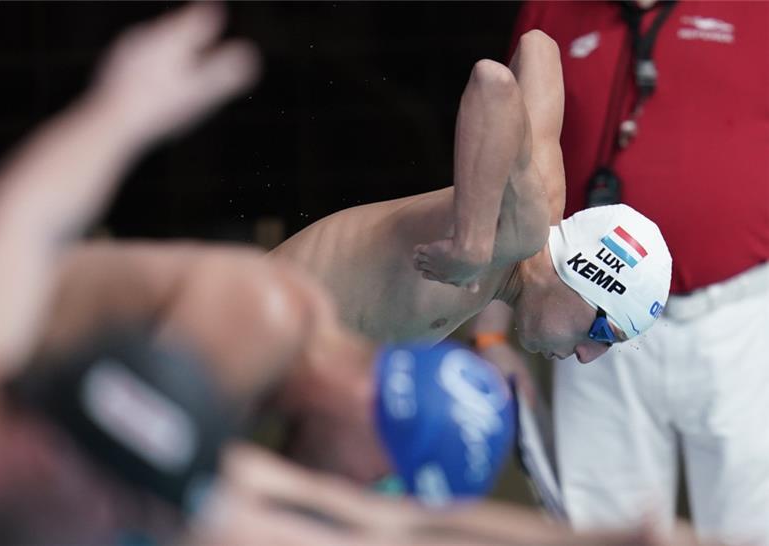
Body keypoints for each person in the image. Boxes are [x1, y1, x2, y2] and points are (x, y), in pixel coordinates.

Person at [474, 2, 769, 544]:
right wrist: (491, 329)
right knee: (605, 530)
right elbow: (507, 174)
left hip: (744, 316)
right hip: (589, 318)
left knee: (754, 529)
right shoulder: (550, 10)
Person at [270, 30, 672, 367]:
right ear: (584, 277)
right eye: (603, 334)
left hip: (261, 338)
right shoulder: (520, 230)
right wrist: (472, 242)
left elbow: (539, 46)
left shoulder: (539, 204)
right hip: (239, 327)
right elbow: (491, 83)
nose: (588, 356)